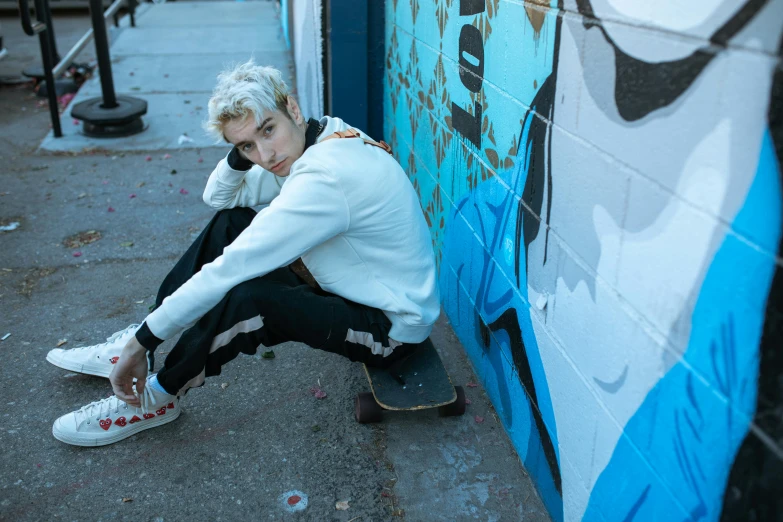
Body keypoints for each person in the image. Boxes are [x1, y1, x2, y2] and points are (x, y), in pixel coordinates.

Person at [47, 59, 440, 446]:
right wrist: (238, 153)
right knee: (232, 223)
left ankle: (157, 396)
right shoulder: (322, 137)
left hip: (390, 328)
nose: (266, 156)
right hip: (352, 284)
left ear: (294, 109)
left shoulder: (326, 177)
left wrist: (143, 341)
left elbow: (230, 269)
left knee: (250, 299)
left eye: (268, 130)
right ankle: (138, 344)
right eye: (248, 145)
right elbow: (219, 198)